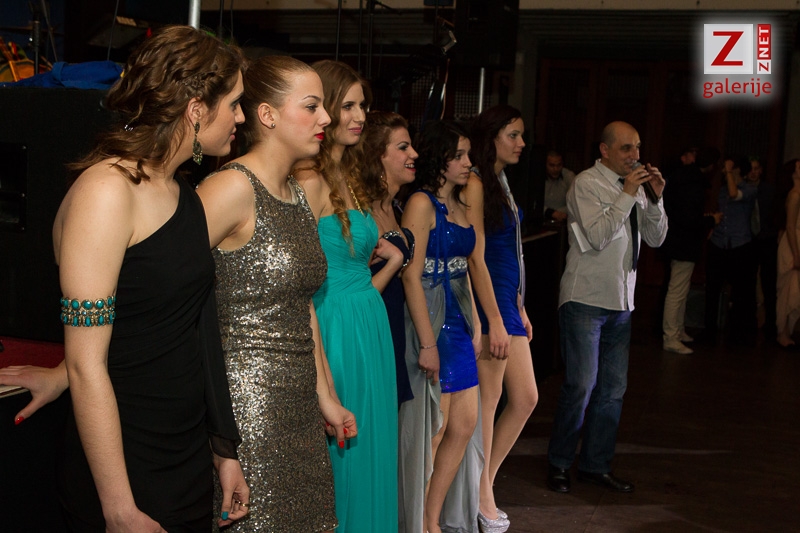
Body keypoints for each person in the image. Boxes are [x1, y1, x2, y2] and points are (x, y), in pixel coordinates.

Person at [51, 26, 249, 531]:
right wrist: (119, 508)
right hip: (125, 462)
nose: (241, 118)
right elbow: (86, 363)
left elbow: (194, 329)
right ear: (196, 109)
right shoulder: (106, 192)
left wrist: (222, 450)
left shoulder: (181, 191)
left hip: (185, 454)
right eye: (234, 104)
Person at [196, 55, 357, 532]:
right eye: (311, 106)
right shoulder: (230, 188)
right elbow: (160, 285)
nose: (326, 118)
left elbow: (302, 303)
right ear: (267, 115)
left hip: (299, 410)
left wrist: (325, 396)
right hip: (248, 410)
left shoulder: (297, 193)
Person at [294, 59, 400, 532]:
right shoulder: (307, 179)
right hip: (332, 324)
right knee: (341, 457)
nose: (359, 116)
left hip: (368, 323)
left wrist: (390, 262)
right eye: (349, 106)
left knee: (371, 447)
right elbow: (297, 272)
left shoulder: (350, 176)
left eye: (363, 106)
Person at [547, 121, 667, 494]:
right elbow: (598, 236)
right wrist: (628, 193)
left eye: (638, 147)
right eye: (626, 148)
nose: (635, 156)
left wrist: (656, 198)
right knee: (581, 385)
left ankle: (595, 465)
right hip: (585, 298)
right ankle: (559, 463)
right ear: (605, 150)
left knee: (613, 390)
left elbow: (656, 239)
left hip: (621, 301)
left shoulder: (636, 188)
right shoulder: (586, 183)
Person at [401, 120, 480, 533]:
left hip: (459, 319)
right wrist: (427, 342)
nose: (468, 163)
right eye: (459, 155)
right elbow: (410, 276)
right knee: (435, 428)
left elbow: (467, 267)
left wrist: (477, 323)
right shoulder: (420, 203)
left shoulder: (462, 204)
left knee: (464, 425)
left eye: (468, 155)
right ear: (439, 159)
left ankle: (432, 519)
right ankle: (418, 523)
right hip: (432, 317)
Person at [465, 104, 538, 531]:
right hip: (490, 302)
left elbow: (514, 251)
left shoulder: (499, 181)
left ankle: (483, 483)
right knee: (488, 403)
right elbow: (476, 257)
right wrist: (492, 318)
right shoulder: (476, 182)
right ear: (491, 137)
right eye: (513, 135)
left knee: (525, 398)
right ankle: (480, 495)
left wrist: (520, 305)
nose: (521, 143)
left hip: (508, 302)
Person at [361, 110, 417, 407]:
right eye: (403, 147)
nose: (414, 154)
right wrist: (394, 261)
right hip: (372, 328)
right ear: (377, 155)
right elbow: (355, 288)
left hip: (396, 324)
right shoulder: (363, 213)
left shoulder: (392, 206)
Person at [660, 147, 722, 354]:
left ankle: (677, 331)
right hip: (684, 242)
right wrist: (711, 220)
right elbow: (689, 218)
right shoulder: (694, 183)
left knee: (680, 289)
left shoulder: (681, 177)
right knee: (677, 290)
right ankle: (671, 336)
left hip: (675, 239)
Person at [703, 157, 758, 345]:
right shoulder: (722, 191)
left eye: (730, 169)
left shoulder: (750, 189)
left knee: (740, 293)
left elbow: (735, 194)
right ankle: (709, 331)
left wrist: (728, 172)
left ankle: (737, 334)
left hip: (739, 245)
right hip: (719, 242)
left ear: (738, 171)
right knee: (712, 290)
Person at [746, 157, 780, 341]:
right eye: (750, 169)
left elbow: (776, 213)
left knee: (769, 282)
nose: (753, 172)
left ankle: (771, 324)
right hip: (748, 240)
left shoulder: (769, 190)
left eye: (756, 168)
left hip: (767, 238)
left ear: (761, 170)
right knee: (748, 282)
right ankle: (749, 322)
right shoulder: (742, 188)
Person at [776, 159, 800, 348]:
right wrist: (796, 254)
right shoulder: (794, 195)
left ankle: (790, 330)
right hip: (793, 244)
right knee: (789, 290)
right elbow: (791, 226)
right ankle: (783, 333)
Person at [543, 149, 576, 223]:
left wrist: (558, 213)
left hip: (564, 220)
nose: (556, 169)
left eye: (559, 165)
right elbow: (531, 203)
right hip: (541, 220)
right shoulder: (536, 176)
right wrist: (550, 213)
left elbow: (576, 202)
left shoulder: (569, 176)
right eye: (552, 165)